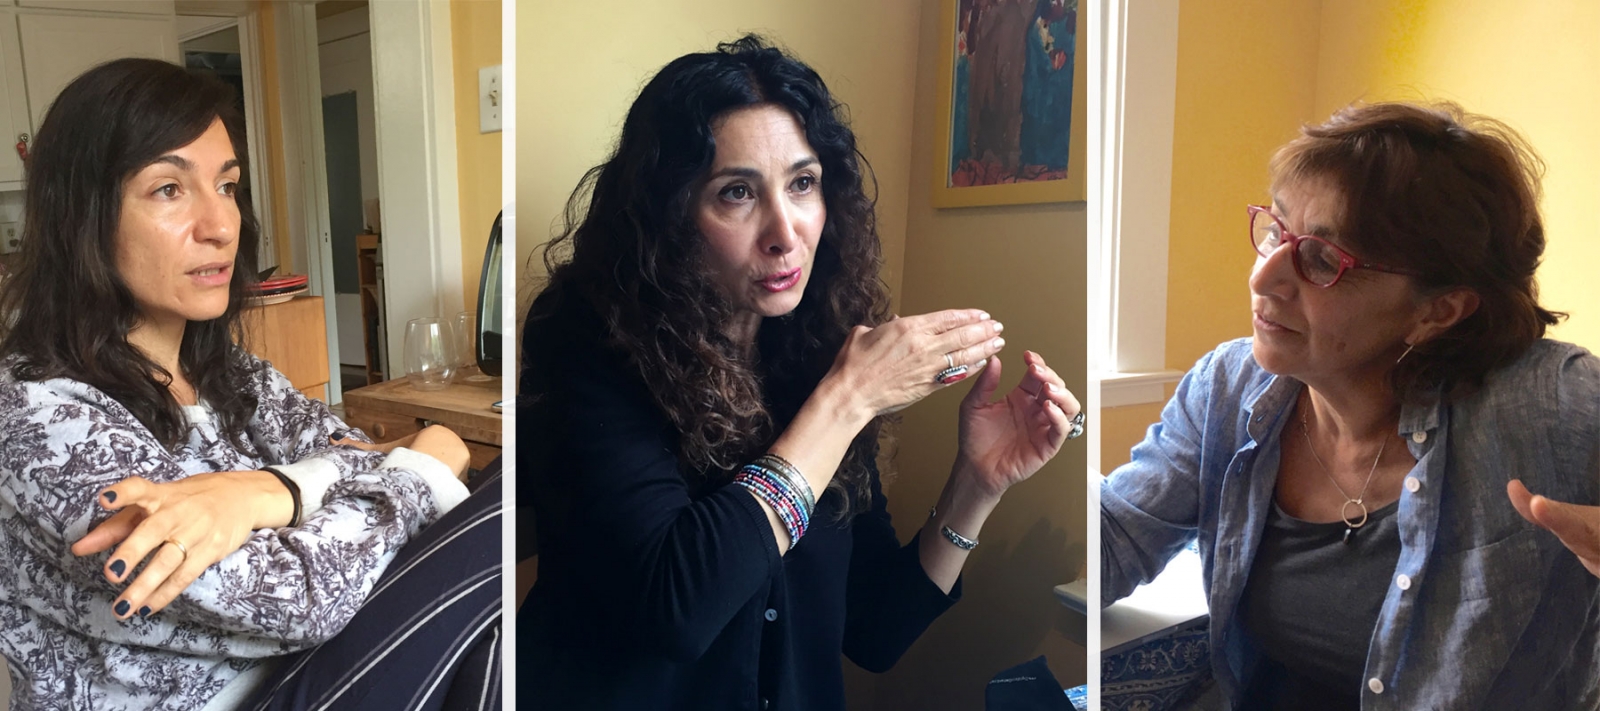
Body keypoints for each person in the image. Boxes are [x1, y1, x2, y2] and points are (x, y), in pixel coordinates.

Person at [518, 35, 1082, 710]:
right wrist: (846, 401)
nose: (785, 232)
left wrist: (977, 483)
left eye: (803, 183)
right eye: (736, 193)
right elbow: (676, 605)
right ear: (666, 217)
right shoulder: (587, 339)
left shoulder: (812, 345)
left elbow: (874, 629)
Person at [0, 58, 501, 710]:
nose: (220, 224)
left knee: (491, 629)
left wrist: (263, 495)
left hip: (298, 674)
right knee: (499, 510)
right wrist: (430, 454)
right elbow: (300, 596)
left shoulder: (228, 372)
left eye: (228, 185)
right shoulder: (36, 416)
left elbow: (349, 450)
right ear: (82, 215)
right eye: (169, 190)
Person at [1100, 101, 1600, 710]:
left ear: (1436, 310)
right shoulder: (1228, 388)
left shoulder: (1554, 405)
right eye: (1277, 231)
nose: (1264, 277)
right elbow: (1119, 535)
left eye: (1324, 260)